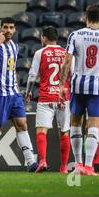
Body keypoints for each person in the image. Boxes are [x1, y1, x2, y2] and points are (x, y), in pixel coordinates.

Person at [59, 5, 99, 176]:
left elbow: (66, 61)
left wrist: (62, 85)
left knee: (76, 124)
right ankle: (88, 166)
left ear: (86, 17)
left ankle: (78, 163)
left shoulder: (75, 35)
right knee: (94, 124)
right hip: (97, 87)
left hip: (77, 85)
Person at [0, 17, 38, 173]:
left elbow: (12, 70)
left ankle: (31, 162)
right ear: (1, 29)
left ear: (15, 30)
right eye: (5, 27)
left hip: (13, 94)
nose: (8, 30)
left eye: (11, 27)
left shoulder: (14, 46)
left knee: (22, 124)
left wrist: (19, 89)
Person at [25, 26, 71, 174]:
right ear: (56, 38)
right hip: (63, 98)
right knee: (64, 132)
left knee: (41, 130)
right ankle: (64, 167)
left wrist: (28, 92)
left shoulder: (40, 52)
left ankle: (43, 160)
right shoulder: (66, 53)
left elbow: (32, 75)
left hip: (46, 96)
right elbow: (73, 74)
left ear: (43, 38)